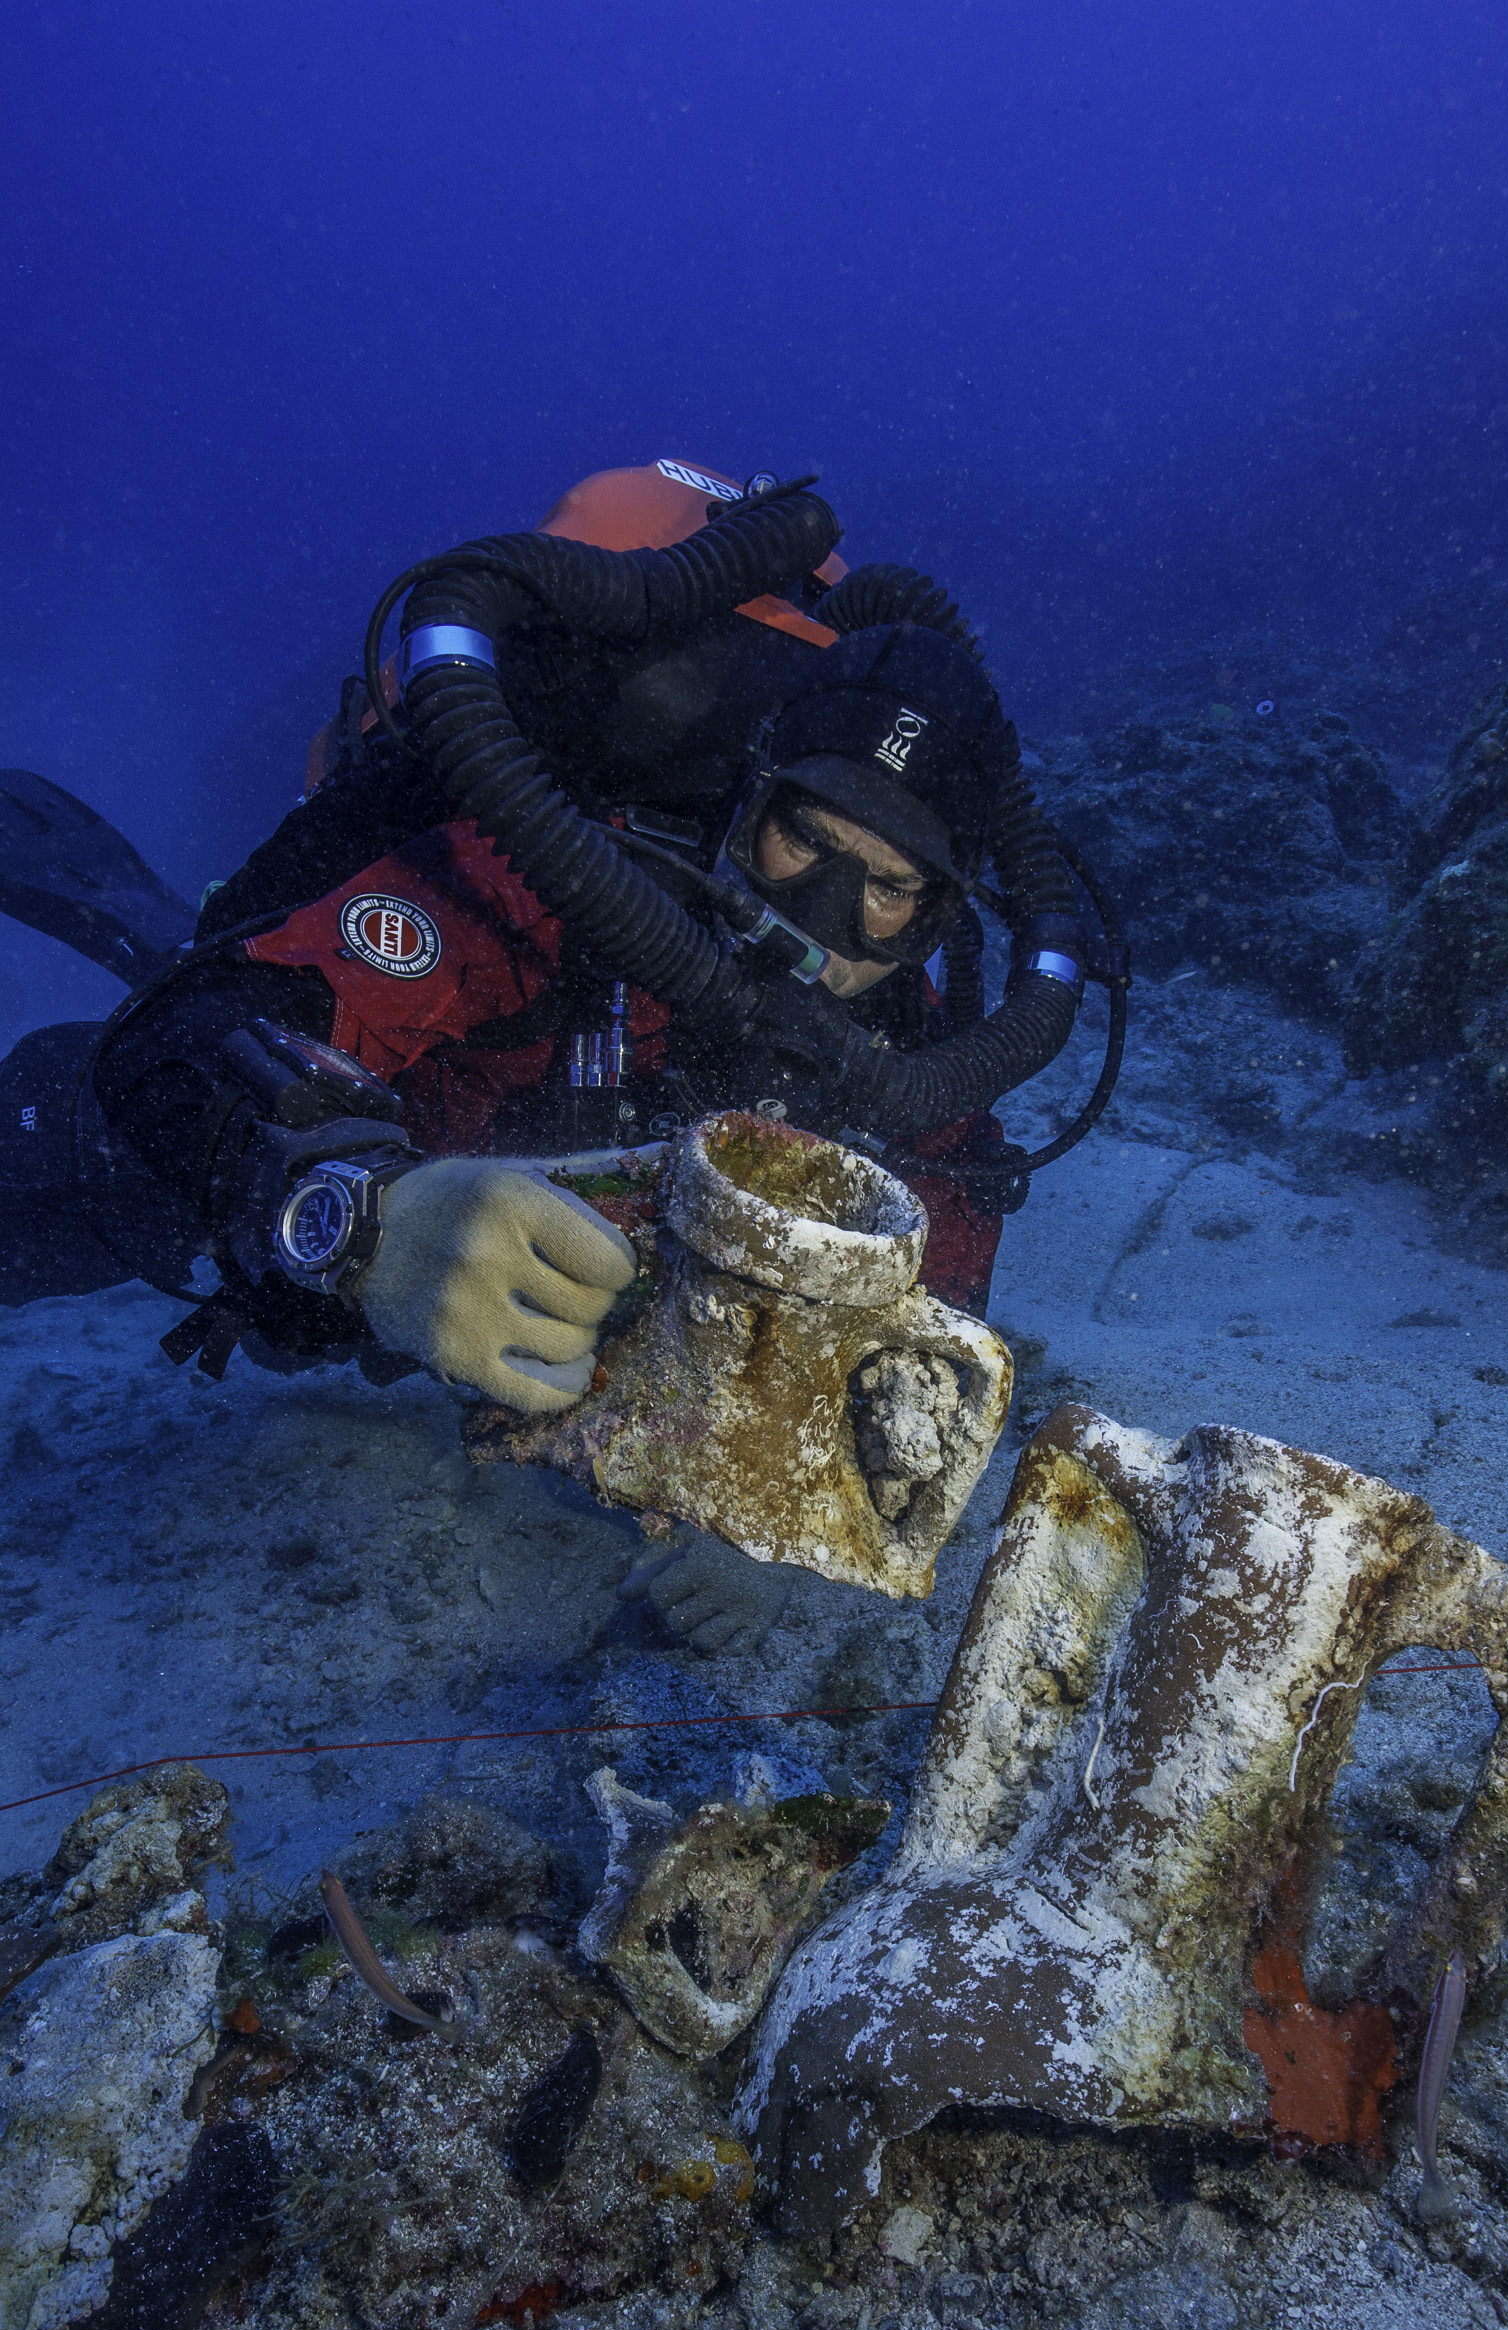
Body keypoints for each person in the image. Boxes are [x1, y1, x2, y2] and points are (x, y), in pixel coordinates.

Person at [0, 460, 1114, 1638]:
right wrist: (361, 1211)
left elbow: (935, 1295)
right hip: (327, 1202)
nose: (828, 911)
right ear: (748, 803)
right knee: (79, 1154)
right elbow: (204, 1037)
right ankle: (153, 923)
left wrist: (796, 1516)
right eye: (803, 838)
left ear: (944, 916)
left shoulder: (915, 1064)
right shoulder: (549, 889)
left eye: (891, 887)